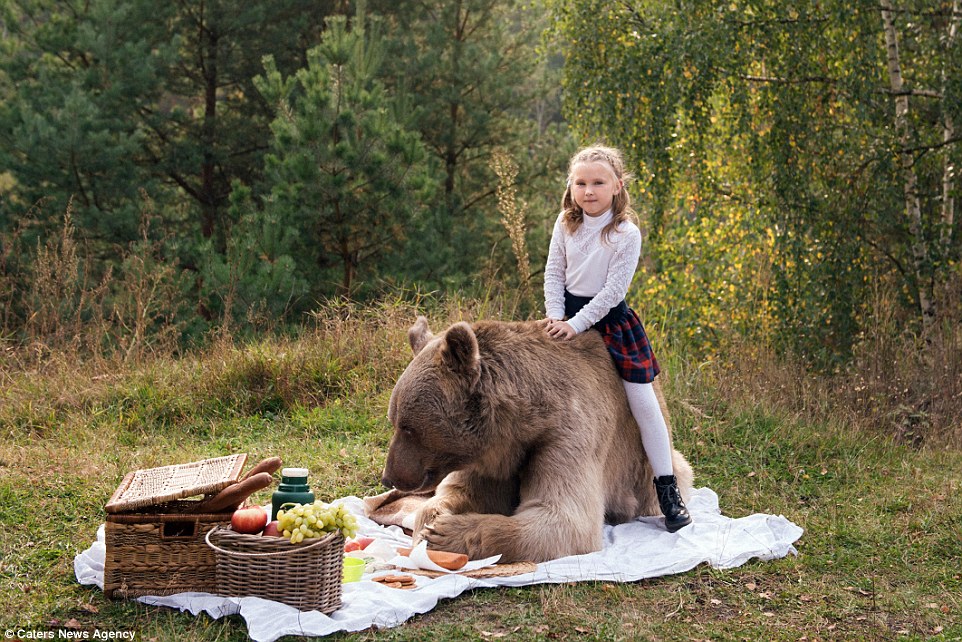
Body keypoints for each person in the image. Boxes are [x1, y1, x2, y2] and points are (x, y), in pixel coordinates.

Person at [542, 144, 691, 532]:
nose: (588, 191)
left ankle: (666, 488)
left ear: (617, 186)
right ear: (571, 186)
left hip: (609, 320)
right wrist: (557, 316)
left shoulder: (626, 234)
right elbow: (554, 273)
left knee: (642, 401)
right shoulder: (565, 222)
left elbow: (612, 293)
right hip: (564, 317)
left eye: (598, 182)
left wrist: (577, 324)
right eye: (581, 183)